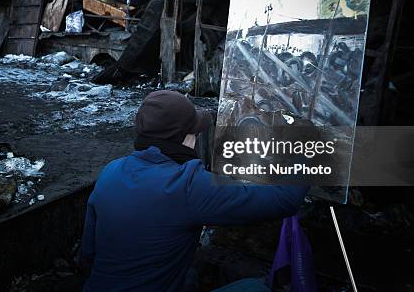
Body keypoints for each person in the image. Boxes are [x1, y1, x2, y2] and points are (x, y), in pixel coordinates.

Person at [80, 90, 309, 292]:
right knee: (255, 288)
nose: (198, 137)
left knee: (189, 274)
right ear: (182, 138)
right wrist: (306, 147)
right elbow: (285, 199)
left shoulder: (111, 171)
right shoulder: (187, 185)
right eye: (195, 132)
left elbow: (87, 255)